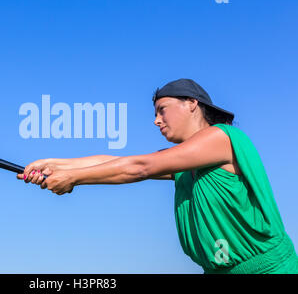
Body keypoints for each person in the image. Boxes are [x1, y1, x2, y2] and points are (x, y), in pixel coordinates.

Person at [16, 78, 298, 274]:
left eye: (162, 110)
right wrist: (56, 164)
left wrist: (73, 179)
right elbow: (115, 161)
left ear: (191, 103)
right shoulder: (187, 165)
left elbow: (140, 167)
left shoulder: (220, 137)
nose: (156, 120)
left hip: (270, 269)